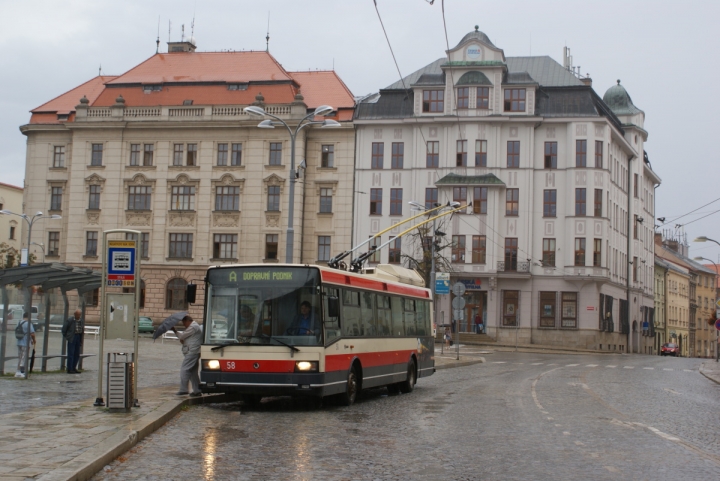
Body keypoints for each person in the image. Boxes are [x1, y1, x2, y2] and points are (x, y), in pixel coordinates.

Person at [172, 315, 203, 397]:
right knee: (193, 372)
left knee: (184, 369)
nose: (183, 325)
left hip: (192, 352)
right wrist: (176, 332)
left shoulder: (193, 327)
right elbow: (185, 338)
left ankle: (184, 389)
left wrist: (175, 330)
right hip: (195, 351)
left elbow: (182, 336)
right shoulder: (194, 327)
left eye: (183, 323)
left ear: (187, 321)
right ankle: (197, 390)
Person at [62, 309, 84, 374]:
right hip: (72, 337)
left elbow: (82, 329)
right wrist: (68, 336)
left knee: (77, 354)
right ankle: (70, 368)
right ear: (75, 314)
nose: (79, 316)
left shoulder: (81, 320)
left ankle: (74, 367)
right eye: (77, 314)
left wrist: (81, 338)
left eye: (79, 314)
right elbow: (64, 329)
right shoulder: (70, 320)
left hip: (78, 336)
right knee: (71, 353)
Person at [15, 312, 36, 378]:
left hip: (19, 342)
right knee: (23, 357)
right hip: (25, 343)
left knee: (20, 357)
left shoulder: (19, 322)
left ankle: (20, 371)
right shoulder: (29, 324)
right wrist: (34, 340)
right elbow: (32, 333)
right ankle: (20, 372)